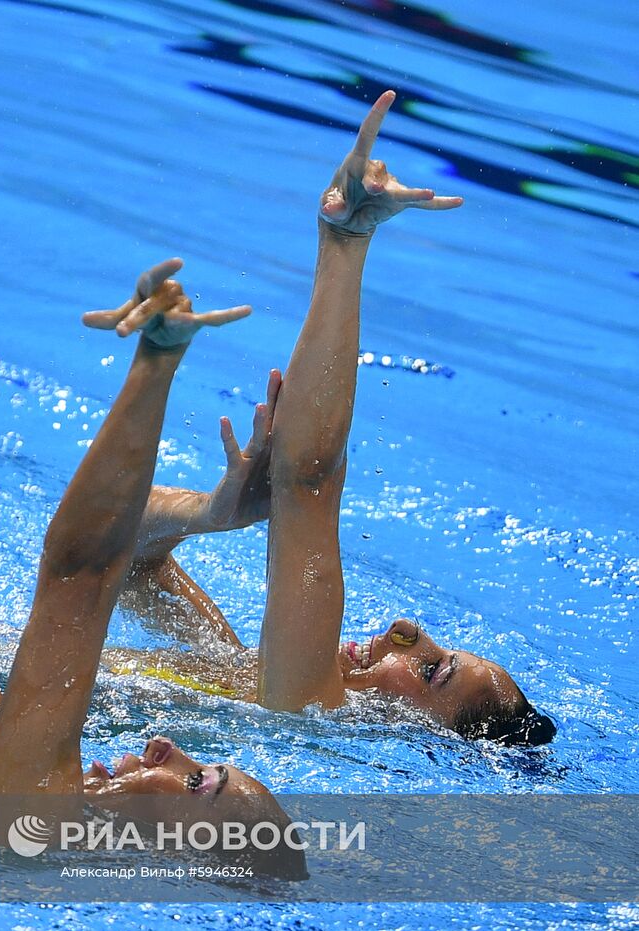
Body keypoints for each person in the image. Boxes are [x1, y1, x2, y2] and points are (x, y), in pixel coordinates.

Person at [102, 91, 556, 747]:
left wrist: (344, 243)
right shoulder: (244, 674)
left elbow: (307, 481)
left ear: (419, 736)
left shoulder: (304, 709)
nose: (405, 630)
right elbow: (118, 556)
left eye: (431, 670)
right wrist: (207, 514)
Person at [0, 259, 307, 877]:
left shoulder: (36, 819)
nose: (167, 748)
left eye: (198, 782)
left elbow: (84, 571)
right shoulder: (17, 795)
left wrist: (157, 361)